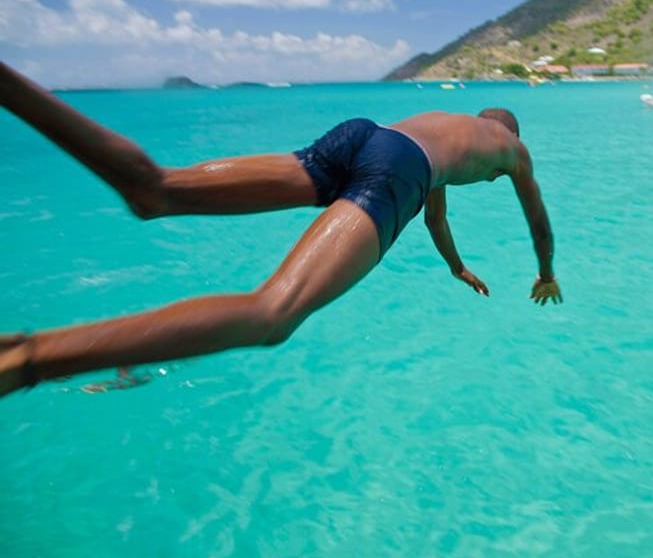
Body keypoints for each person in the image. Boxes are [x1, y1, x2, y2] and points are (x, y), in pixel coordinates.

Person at [0, 62, 562, 397]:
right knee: (273, 314)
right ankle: (27, 359)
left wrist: (455, 266)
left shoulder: (451, 130)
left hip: (366, 136)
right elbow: (539, 221)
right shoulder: (512, 149)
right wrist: (545, 273)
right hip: (397, 168)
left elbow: (435, 216)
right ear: (506, 138)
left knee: (157, 191)